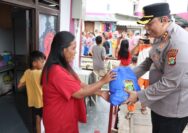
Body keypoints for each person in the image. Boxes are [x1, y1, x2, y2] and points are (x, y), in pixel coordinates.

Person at [125, 3, 188, 133]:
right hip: (159, 102)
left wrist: (138, 96)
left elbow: (170, 82)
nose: (146, 28)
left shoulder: (178, 42)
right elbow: (149, 61)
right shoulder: (161, 36)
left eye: (149, 24)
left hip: (172, 110)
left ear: (164, 20)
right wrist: (127, 74)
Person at [41, 31, 116, 133]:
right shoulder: (56, 71)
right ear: (63, 50)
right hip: (58, 120)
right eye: (73, 48)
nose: (75, 52)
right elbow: (79, 93)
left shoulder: (63, 66)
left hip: (66, 117)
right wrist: (103, 81)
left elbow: (80, 85)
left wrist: (100, 92)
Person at [17, 50, 46, 133]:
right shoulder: (41, 73)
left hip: (34, 102)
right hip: (43, 101)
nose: (43, 64)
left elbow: (19, 85)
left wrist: (29, 81)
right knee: (46, 120)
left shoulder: (27, 72)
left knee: (38, 119)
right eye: (41, 62)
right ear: (34, 63)